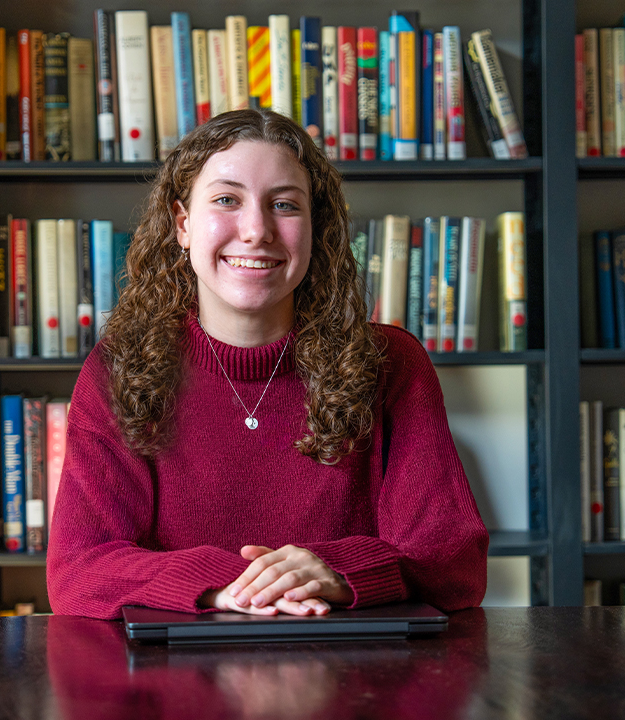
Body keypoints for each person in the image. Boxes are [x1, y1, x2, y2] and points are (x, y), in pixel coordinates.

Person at [45, 109, 488, 620]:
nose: (256, 231)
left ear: (314, 229)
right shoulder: (120, 369)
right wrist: (228, 586)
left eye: (284, 205)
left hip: (358, 679)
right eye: (227, 200)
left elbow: (453, 562)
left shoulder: (392, 364)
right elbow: (79, 571)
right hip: (175, 683)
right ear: (183, 224)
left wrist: (335, 571)